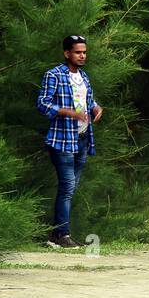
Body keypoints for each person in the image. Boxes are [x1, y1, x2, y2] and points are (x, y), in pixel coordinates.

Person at [36, 35, 102, 248]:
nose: (82, 56)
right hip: (62, 139)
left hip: (82, 138)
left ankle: (58, 233)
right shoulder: (54, 75)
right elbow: (43, 104)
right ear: (67, 53)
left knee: (71, 189)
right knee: (67, 186)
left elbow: (88, 99)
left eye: (84, 52)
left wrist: (96, 108)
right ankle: (61, 234)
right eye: (77, 52)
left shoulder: (83, 76)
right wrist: (67, 112)